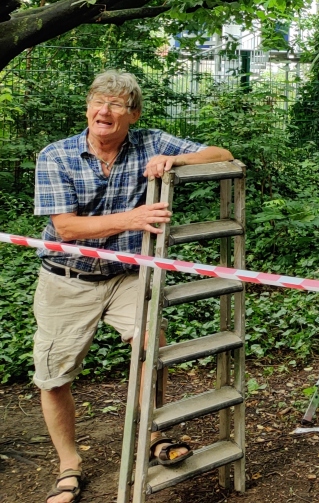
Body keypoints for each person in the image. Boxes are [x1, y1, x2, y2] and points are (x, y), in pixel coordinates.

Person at [33, 70, 233, 503]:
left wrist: (176, 161)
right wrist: (132, 218)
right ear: (87, 107)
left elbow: (221, 154)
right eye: (97, 102)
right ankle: (69, 465)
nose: (104, 111)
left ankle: (154, 434)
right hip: (67, 278)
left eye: (117, 104)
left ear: (133, 114)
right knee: (53, 377)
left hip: (126, 275)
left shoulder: (150, 142)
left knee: (151, 344)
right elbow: (65, 228)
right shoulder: (56, 155)